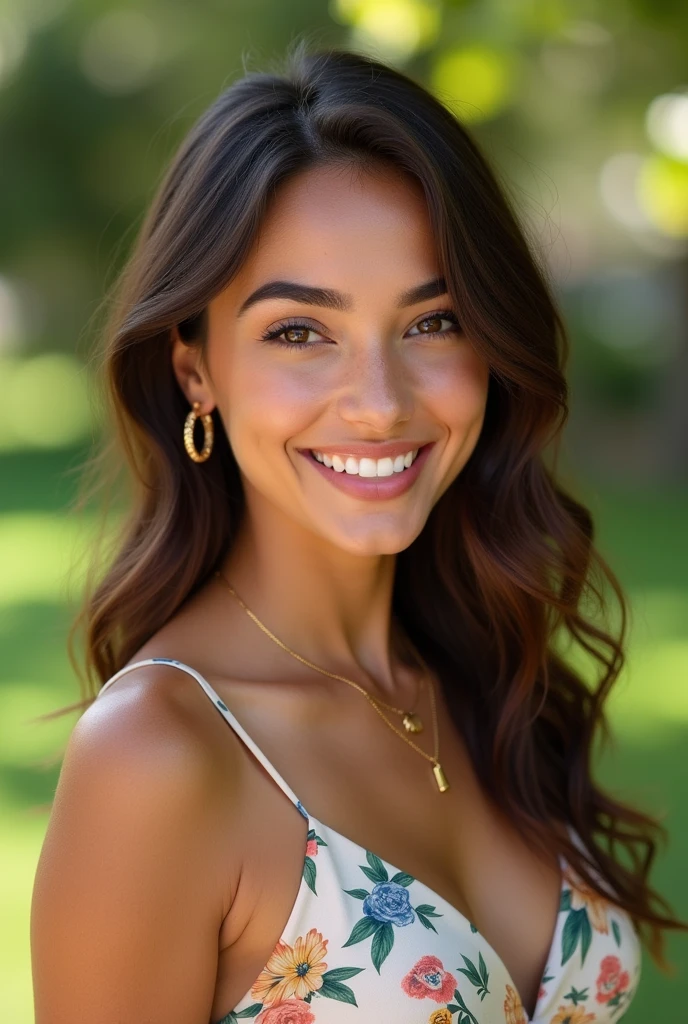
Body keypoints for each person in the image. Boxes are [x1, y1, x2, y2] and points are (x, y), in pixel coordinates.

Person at [30, 44, 683, 1024]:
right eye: (299, 331)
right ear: (196, 371)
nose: (379, 404)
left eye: (433, 322)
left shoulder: (476, 678)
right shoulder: (159, 757)